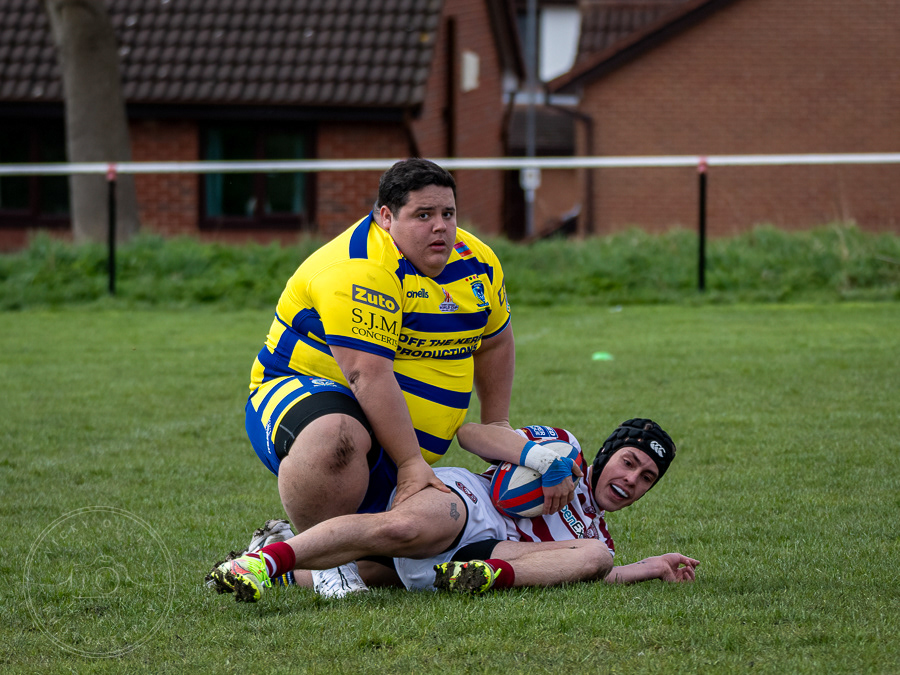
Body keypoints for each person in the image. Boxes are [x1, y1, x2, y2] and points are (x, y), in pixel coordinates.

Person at [243, 158, 517, 592]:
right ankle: (330, 565)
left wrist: (498, 424)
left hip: (395, 440)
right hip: (299, 394)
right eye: (422, 215)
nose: (441, 227)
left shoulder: (478, 260)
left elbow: (496, 341)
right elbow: (365, 375)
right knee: (336, 436)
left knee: (420, 555)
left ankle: (291, 549)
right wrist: (411, 463)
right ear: (385, 217)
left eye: (447, 213)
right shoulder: (359, 267)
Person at [208, 419, 698, 601]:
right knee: (397, 530)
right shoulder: (564, 447)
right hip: (470, 505)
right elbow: (472, 435)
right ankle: (261, 563)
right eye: (629, 462)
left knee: (598, 559)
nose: (631, 480)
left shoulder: (599, 535)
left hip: (483, 556)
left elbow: (583, 574)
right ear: (608, 455)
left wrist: (650, 568)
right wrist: (539, 459)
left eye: (646, 479)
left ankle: (480, 576)